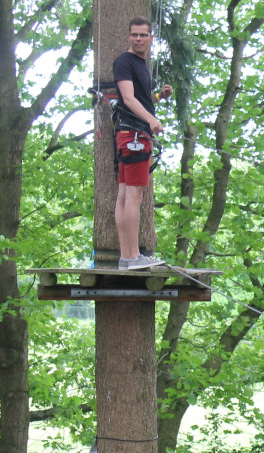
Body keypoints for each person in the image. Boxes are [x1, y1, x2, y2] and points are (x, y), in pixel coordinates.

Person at [113, 17, 172, 271]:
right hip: (134, 136)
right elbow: (127, 98)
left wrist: (159, 96)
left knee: (126, 194)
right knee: (133, 197)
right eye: (134, 34)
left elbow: (142, 100)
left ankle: (127, 256)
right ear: (128, 36)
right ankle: (132, 256)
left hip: (132, 134)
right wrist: (151, 120)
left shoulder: (141, 65)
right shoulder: (124, 62)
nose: (138, 39)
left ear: (150, 38)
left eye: (143, 35)